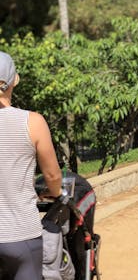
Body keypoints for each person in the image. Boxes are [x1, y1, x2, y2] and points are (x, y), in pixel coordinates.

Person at [0, 51, 62, 279]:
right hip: (19, 236)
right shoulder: (32, 122)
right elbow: (53, 175)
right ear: (14, 80)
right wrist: (55, 194)